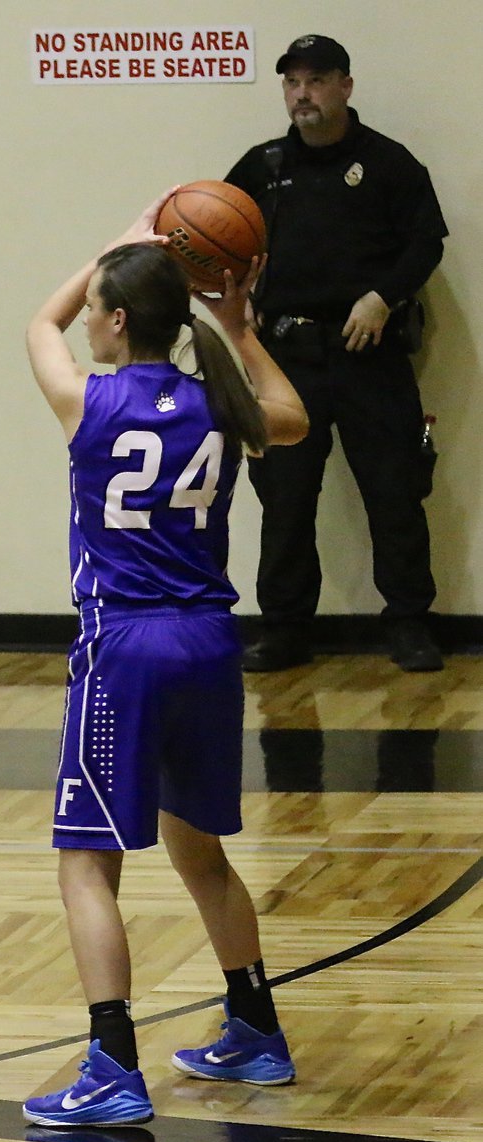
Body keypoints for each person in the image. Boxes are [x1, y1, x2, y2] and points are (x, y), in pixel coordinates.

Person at [20, 191, 309, 1127]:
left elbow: (38, 322)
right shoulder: (222, 405)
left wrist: (115, 245)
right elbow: (294, 419)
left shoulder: (90, 400)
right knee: (197, 847)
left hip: (128, 647)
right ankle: (256, 1026)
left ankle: (110, 1062)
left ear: (114, 319)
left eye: (103, 305)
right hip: (209, 645)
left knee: (85, 864)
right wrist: (236, 325)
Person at [226, 35, 449, 672]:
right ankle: (286, 629)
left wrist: (383, 295)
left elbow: (425, 243)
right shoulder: (262, 166)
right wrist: (235, 298)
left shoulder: (389, 164)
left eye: (317, 80)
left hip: (368, 355)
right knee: (285, 498)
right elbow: (219, 236)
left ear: (346, 86)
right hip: (287, 359)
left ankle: (409, 623)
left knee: (395, 490)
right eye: (293, 81)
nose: (303, 93)